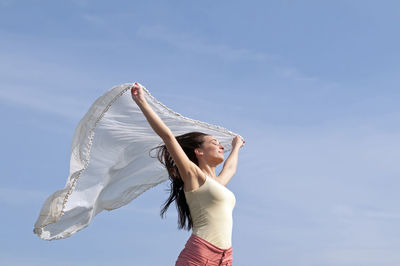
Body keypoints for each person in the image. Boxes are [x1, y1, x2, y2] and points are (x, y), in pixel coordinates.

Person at [131, 82, 245, 265]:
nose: (221, 146)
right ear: (199, 152)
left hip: (225, 258)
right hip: (200, 254)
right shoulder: (193, 176)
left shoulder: (216, 183)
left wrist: (237, 146)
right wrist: (141, 102)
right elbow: (168, 137)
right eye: (215, 142)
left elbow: (230, 168)